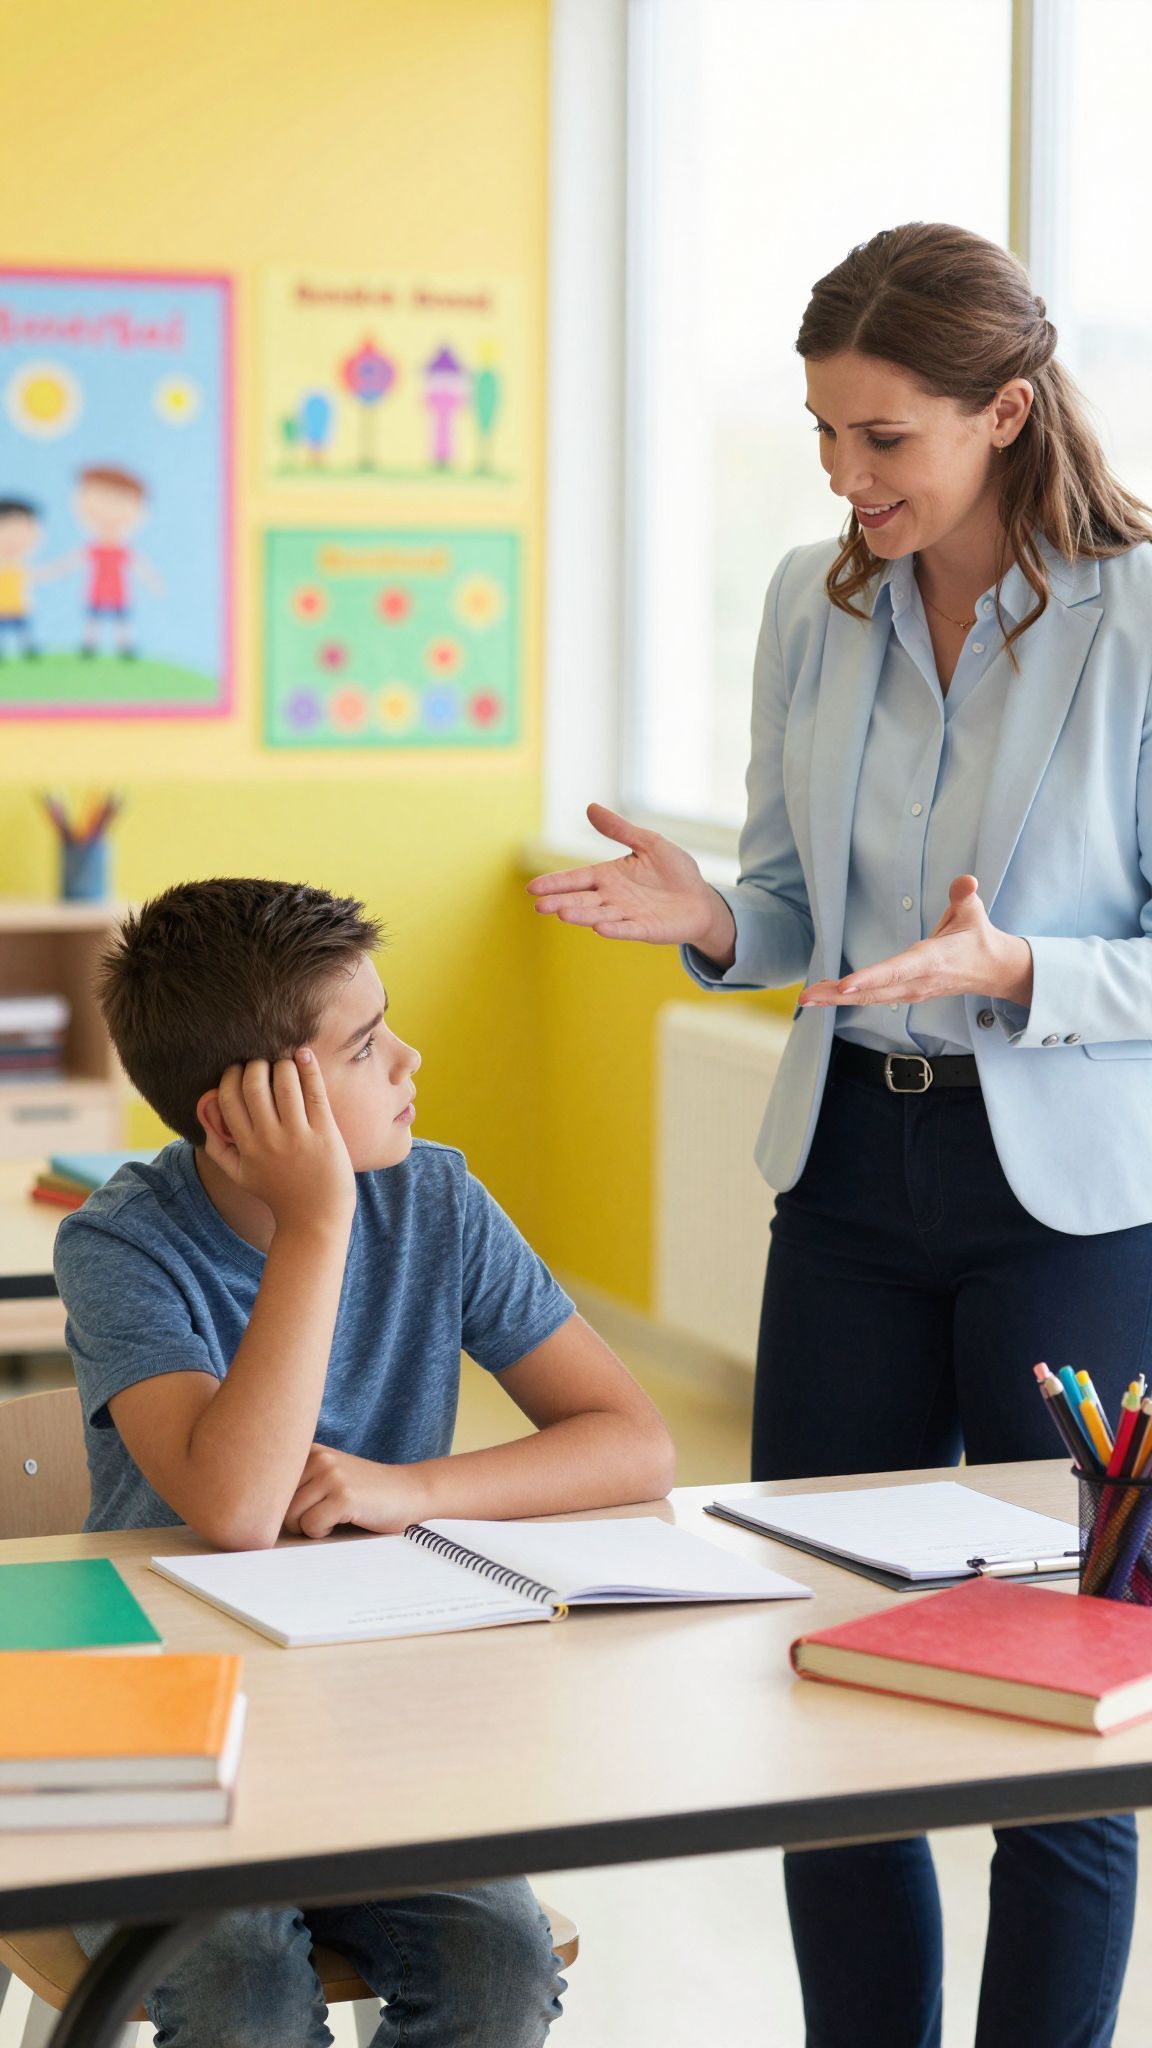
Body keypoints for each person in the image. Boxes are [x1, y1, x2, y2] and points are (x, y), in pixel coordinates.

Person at [527, 221, 1152, 2048]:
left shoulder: (1138, 613)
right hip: (850, 1184)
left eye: (883, 437)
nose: (843, 476)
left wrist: (1017, 964)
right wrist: (713, 917)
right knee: (811, 1654)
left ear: (1006, 412)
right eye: (820, 432)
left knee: (1069, 1673)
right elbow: (799, 917)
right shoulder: (814, 599)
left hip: (1074, 1204)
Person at [54, 875, 675, 2048]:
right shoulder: (121, 1243)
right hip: (156, 1736)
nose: (410, 1058)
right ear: (240, 1112)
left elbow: (634, 1442)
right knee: (239, 1982)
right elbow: (237, 1509)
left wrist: (411, 1489)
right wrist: (319, 1221)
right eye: (366, 1044)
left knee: (500, 1959)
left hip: (368, 1723)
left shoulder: (435, 1197)